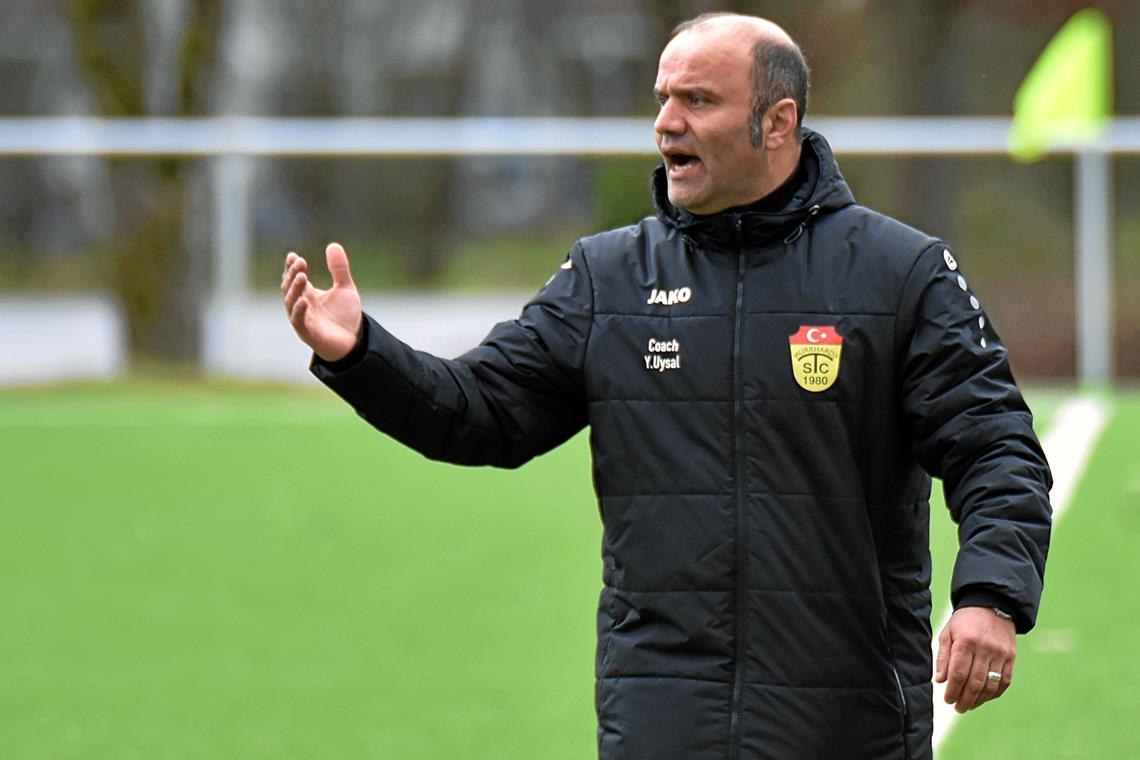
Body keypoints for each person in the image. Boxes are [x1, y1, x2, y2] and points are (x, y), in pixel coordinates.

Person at [280, 12, 1051, 760]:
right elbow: (479, 413)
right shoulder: (606, 278)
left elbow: (997, 450)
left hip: (845, 717)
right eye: (663, 98)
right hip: (660, 715)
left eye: (699, 100)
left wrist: (990, 595)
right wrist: (361, 355)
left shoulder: (898, 273)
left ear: (777, 121)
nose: (666, 123)